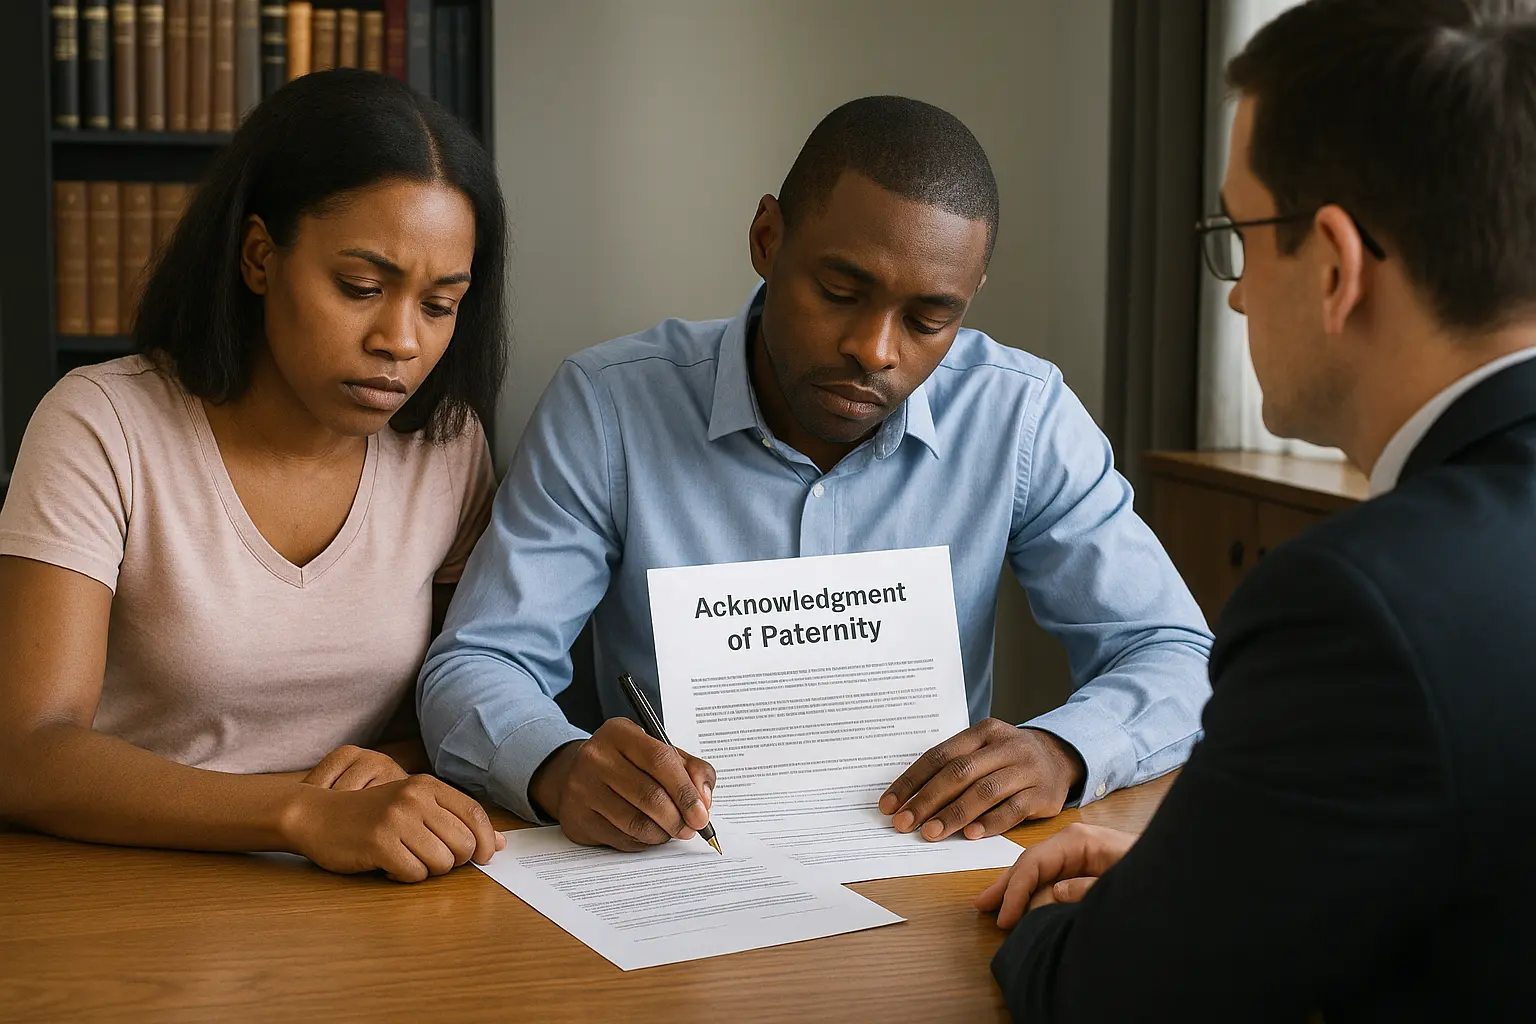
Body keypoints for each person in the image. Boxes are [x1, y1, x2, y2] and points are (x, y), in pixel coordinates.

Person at [419, 96, 1213, 852]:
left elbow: (1175, 652)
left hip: (928, 868)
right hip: (684, 872)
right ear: (767, 237)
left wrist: (1064, 752)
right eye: (840, 291)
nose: (874, 348)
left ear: (968, 301)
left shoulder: (1022, 415)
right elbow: (479, 664)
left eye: (929, 319)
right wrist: (558, 767)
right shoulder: (610, 407)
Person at [981, 0, 1536, 1019]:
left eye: (1238, 236)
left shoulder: (1360, 606)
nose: (1233, 297)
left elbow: (1112, 994)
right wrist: (1204, 875)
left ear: (1334, 263)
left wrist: (1110, 918)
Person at [0, 70, 507, 883]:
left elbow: (452, 697)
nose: (401, 340)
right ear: (261, 257)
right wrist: (300, 813)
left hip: (359, 890)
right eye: (362, 288)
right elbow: (26, 752)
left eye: (440, 305)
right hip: (117, 883)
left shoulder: (447, 448)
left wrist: (397, 768)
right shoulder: (102, 425)